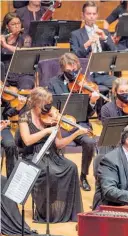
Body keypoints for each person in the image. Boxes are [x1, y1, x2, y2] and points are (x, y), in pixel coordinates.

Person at [16, 87, 85, 223]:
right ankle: (47, 212)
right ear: (36, 103)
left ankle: (67, 210)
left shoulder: (52, 117)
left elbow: (58, 144)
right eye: (45, 103)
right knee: (50, 173)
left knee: (71, 167)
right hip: (34, 155)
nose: (48, 106)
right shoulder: (24, 117)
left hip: (52, 154)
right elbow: (27, 140)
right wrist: (46, 132)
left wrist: (76, 133)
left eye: (49, 102)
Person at [47, 52, 98, 191]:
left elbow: (90, 113)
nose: (73, 72)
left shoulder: (84, 82)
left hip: (79, 123)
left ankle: (83, 175)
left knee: (90, 142)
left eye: (75, 69)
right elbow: (48, 106)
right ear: (63, 68)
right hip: (60, 123)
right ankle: (60, 174)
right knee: (54, 141)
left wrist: (92, 102)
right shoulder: (53, 83)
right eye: (70, 70)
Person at [69, 1, 117, 117]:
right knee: (94, 89)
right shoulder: (76, 34)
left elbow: (114, 51)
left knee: (118, 83)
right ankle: (92, 113)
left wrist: (105, 38)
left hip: (102, 74)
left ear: (97, 15)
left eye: (94, 14)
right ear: (83, 15)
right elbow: (73, 56)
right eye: (88, 14)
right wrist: (87, 44)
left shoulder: (104, 32)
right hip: (87, 74)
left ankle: (112, 114)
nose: (91, 16)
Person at [1, 12, 34, 89]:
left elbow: (23, 52)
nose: (17, 26)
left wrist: (5, 45)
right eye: (13, 24)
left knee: (26, 86)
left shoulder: (26, 38)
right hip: (5, 74)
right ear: (7, 26)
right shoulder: (2, 38)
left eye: (18, 23)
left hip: (23, 74)